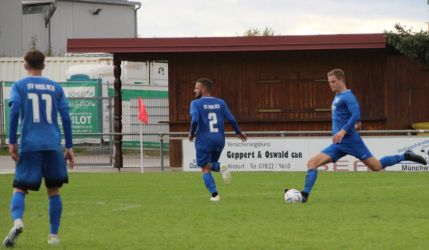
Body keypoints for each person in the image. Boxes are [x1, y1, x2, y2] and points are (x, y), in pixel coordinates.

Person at [286, 69, 427, 203]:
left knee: (376, 166)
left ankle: (405, 156)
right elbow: (351, 117)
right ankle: (304, 196)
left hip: (351, 141)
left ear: (341, 80)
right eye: (329, 82)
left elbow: (356, 114)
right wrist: (355, 124)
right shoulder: (337, 96)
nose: (330, 84)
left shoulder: (348, 96)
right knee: (312, 163)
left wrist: (343, 131)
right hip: (339, 144)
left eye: (333, 81)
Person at [3, 49, 75, 247]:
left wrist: (11, 141)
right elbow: (66, 118)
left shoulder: (19, 86)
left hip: (30, 145)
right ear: (44, 65)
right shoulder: (56, 88)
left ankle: (18, 221)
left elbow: (14, 112)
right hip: (52, 145)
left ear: (25, 65)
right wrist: (69, 146)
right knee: (53, 191)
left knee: (20, 187)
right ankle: (53, 237)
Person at [189, 78, 247, 201]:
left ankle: (215, 195)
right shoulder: (221, 103)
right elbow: (231, 119)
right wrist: (238, 132)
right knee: (211, 165)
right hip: (220, 140)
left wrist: (191, 133)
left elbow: (194, 120)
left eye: (196, 88)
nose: (194, 90)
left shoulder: (195, 103)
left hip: (204, 140)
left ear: (203, 89)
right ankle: (220, 167)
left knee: (204, 168)